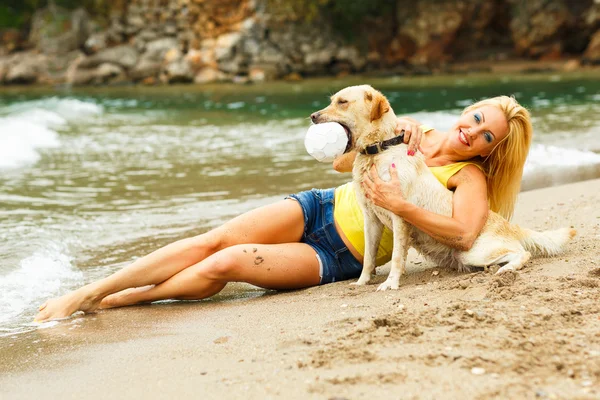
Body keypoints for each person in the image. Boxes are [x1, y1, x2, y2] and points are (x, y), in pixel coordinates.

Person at [35, 95, 532, 322]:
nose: (472, 131)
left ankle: (125, 300)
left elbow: (464, 235)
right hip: (318, 207)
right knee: (213, 239)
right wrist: (374, 137)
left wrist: (400, 202)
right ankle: (91, 291)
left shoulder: (466, 177)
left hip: (342, 254)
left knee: (225, 263)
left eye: (486, 136)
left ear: (489, 151)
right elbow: (342, 168)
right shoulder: (411, 131)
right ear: (468, 109)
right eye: (476, 118)